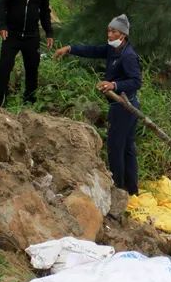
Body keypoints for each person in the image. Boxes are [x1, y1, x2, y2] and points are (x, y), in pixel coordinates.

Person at [53, 14, 142, 195]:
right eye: (108, 30)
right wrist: (69, 48)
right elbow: (92, 50)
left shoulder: (128, 56)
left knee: (116, 148)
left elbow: (136, 81)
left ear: (123, 35)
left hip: (125, 107)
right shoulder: (112, 50)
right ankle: (132, 190)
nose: (109, 34)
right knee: (127, 148)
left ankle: (118, 188)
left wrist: (114, 85)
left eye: (114, 31)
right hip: (124, 107)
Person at [0, 0, 53, 106]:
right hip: (12, 33)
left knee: (32, 67)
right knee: (5, 66)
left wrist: (49, 32)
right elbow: (2, 5)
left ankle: (30, 99)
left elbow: (45, 12)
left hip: (31, 34)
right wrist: (2, 25)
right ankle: (2, 99)